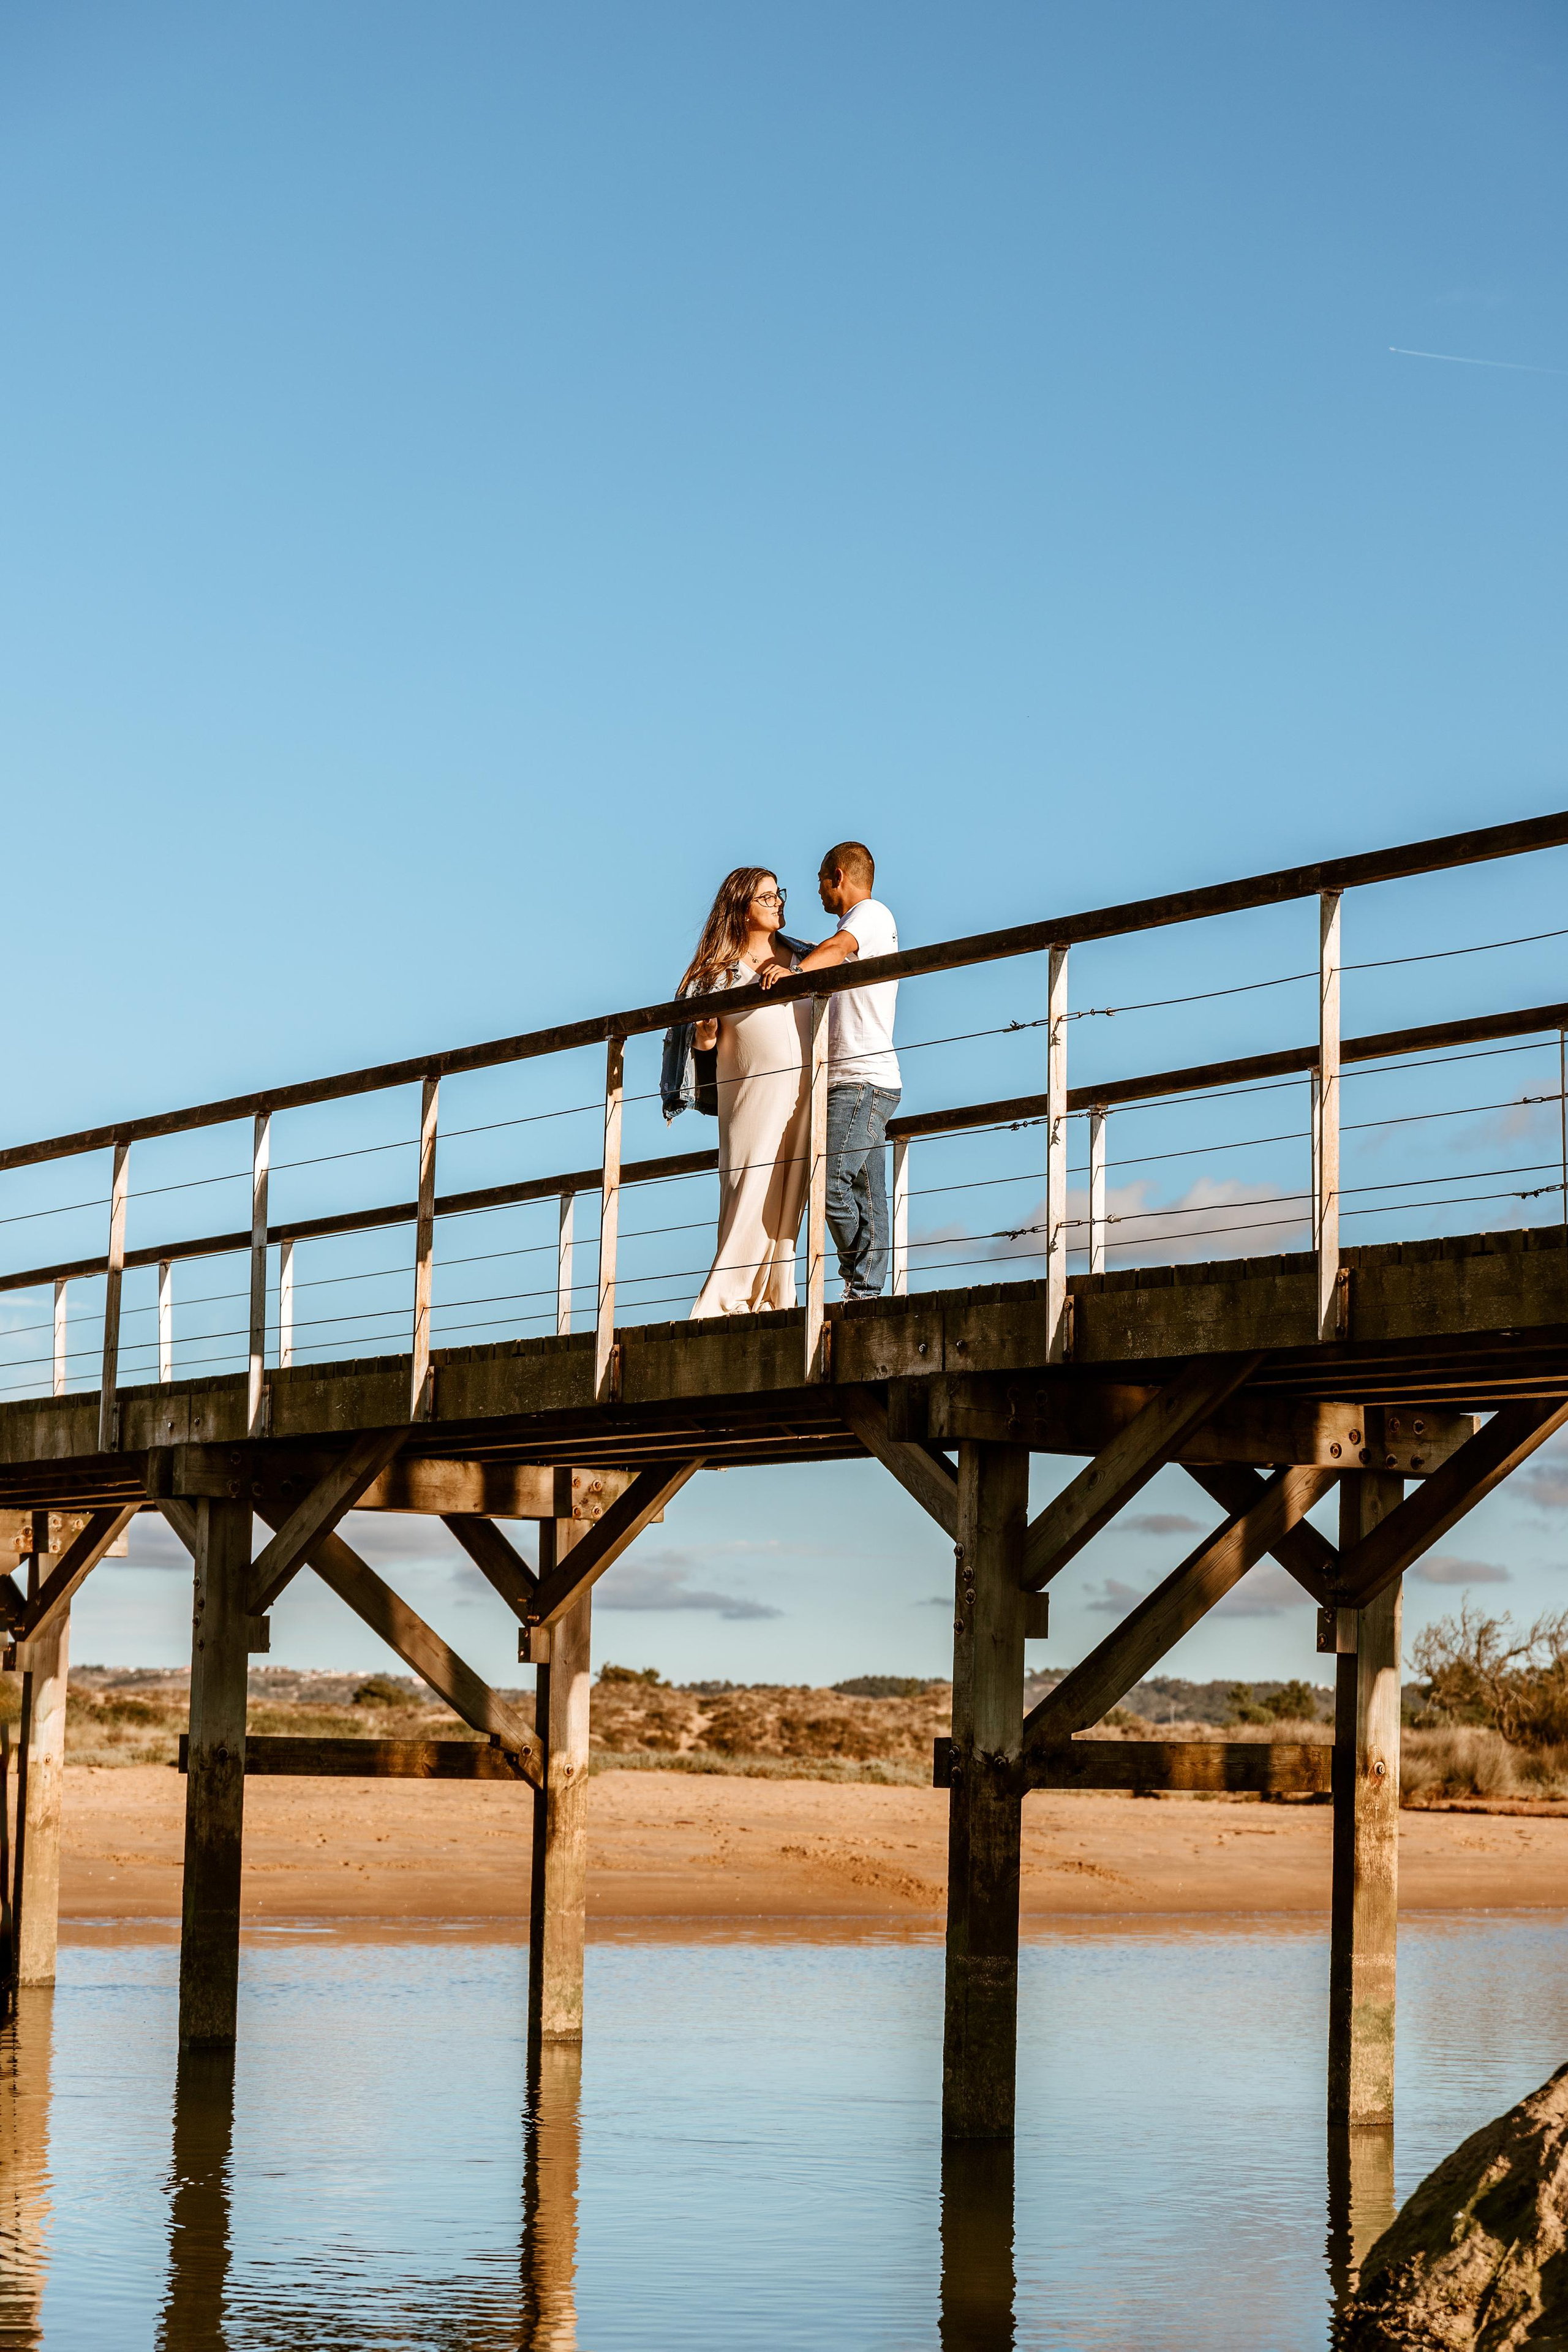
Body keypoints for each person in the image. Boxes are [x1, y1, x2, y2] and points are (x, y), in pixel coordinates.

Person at [760, 840, 899, 1300]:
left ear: (837, 876)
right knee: (867, 1198)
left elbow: (838, 947)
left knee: (826, 1183)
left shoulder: (871, 915)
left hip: (860, 1080)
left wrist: (796, 974)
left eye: (820, 880)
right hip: (862, 1080)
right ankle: (866, 1291)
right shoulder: (858, 927)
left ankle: (861, 1277)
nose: (818, 890)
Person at [679, 868, 814, 1317]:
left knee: (790, 1191)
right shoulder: (716, 973)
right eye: (767, 897)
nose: (779, 903)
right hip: (749, 1092)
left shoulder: (805, 957)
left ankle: (776, 1297)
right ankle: (724, 1299)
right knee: (747, 1185)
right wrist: (704, 1035)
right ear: (741, 909)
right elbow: (701, 1052)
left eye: (779, 895)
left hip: (803, 1092)